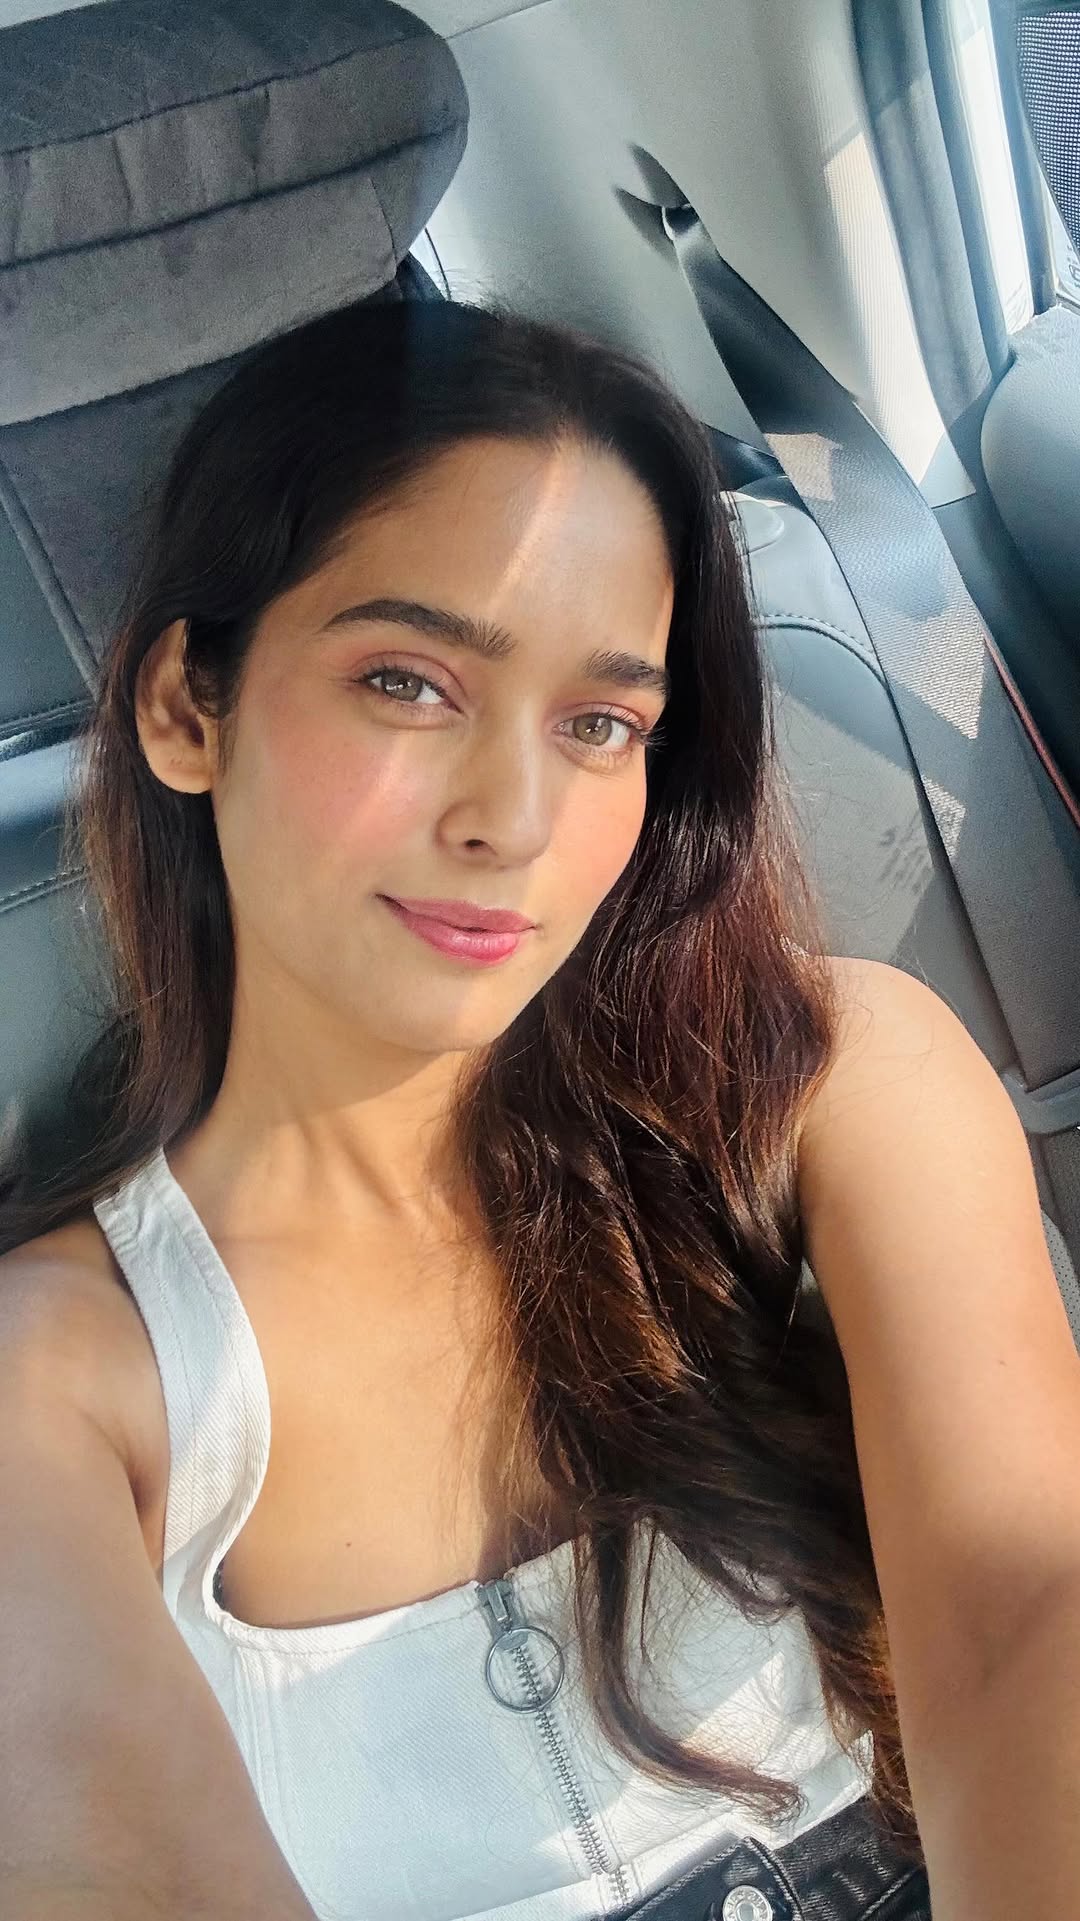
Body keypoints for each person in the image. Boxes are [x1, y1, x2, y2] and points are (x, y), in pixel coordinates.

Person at [1, 296, 1077, 1921]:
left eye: (599, 723)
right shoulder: (58, 1377)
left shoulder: (835, 1086)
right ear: (185, 706)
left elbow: (1022, 1614)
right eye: (408, 681)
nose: (511, 816)